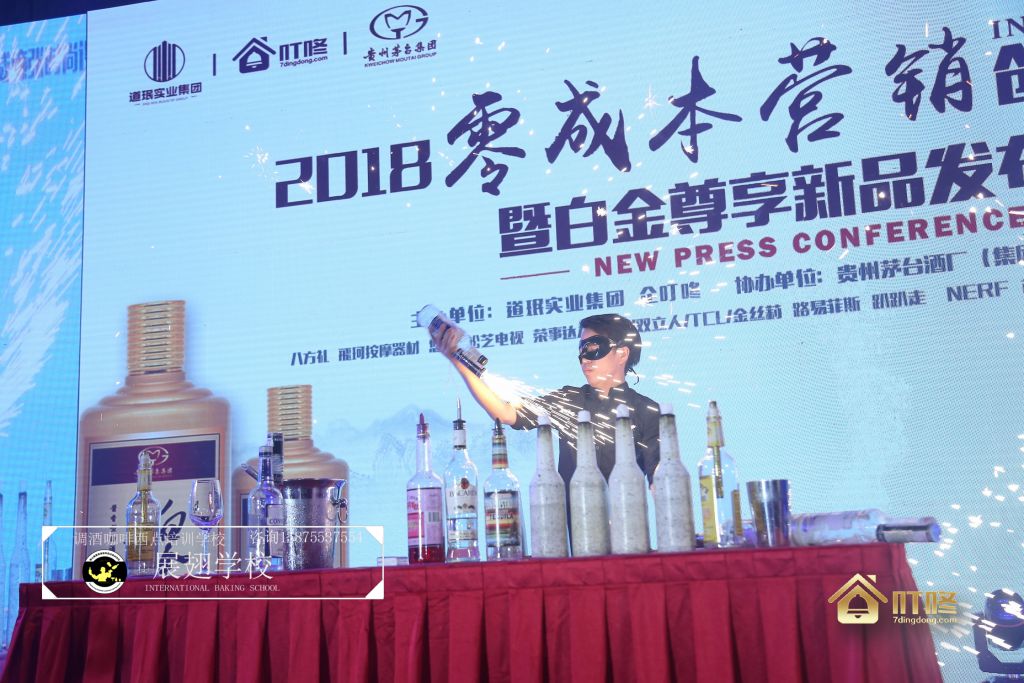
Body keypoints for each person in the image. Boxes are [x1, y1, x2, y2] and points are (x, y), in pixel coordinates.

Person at [427, 313, 660, 491]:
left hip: (631, 532)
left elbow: (661, 483)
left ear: (622, 354)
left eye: (592, 348)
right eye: (581, 350)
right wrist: (458, 360)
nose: (584, 359)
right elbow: (505, 413)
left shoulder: (646, 412)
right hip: (574, 534)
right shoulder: (569, 401)